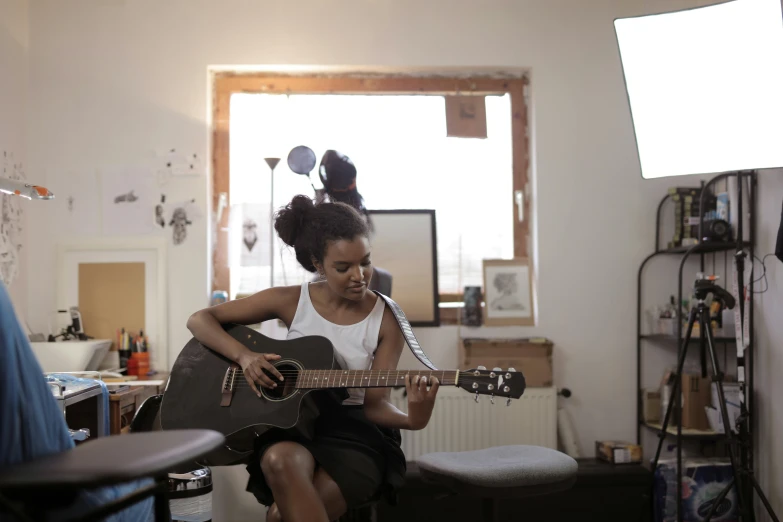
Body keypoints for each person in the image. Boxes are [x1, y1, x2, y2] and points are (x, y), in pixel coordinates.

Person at [186, 194, 440, 522]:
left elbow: (375, 406)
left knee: (280, 518)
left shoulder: (387, 317)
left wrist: (414, 418)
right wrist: (245, 357)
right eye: (343, 267)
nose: (359, 276)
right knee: (278, 459)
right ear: (318, 264)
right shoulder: (291, 300)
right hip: (295, 425)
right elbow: (199, 320)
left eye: (365, 261)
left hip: (357, 435)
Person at [317, 149, 392, 296]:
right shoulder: (323, 208)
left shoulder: (359, 207)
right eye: (348, 182)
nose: (351, 185)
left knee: (383, 279)